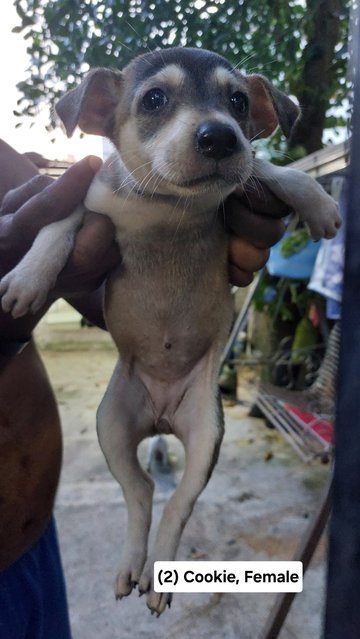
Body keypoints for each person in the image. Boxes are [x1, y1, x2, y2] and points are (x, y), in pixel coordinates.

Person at [0, 139, 286, 637]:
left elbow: (74, 231)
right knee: (122, 446)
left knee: (193, 461)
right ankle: (144, 528)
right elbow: (59, 226)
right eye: (154, 101)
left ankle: (166, 534)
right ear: (105, 112)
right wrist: (38, 265)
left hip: (33, 541)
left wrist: (127, 268)